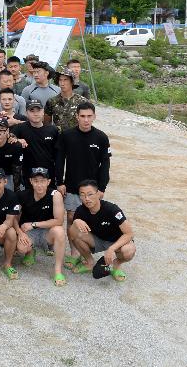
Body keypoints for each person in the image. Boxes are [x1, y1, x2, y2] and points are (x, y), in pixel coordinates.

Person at [55, 101, 111, 265]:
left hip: (93, 189)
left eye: (89, 116)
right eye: (82, 116)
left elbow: (105, 164)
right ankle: (73, 253)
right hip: (72, 185)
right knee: (72, 218)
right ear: (76, 117)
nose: (86, 120)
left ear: (94, 117)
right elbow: (59, 160)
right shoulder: (67, 135)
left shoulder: (101, 137)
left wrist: (102, 187)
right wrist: (60, 181)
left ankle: (86, 250)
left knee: (90, 220)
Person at [68, 180, 135, 281]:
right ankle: (89, 262)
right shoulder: (80, 210)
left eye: (90, 194)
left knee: (128, 251)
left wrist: (112, 249)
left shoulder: (112, 209)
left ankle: (116, 265)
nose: (87, 199)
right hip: (97, 240)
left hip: (116, 241)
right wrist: (76, 221)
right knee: (73, 231)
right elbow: (72, 233)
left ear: (98, 194)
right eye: (82, 195)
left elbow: (129, 233)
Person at [16, 167, 68, 286]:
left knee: (59, 231)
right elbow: (15, 218)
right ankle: (30, 252)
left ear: (48, 182)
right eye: (36, 181)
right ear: (31, 181)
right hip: (28, 232)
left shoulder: (55, 195)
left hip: (46, 232)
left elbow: (59, 220)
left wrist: (34, 224)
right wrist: (20, 232)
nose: (39, 185)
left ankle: (58, 270)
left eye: (42, 181)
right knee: (21, 248)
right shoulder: (23, 195)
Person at [11, 99, 59, 188]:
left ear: (43, 112)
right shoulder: (20, 128)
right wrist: (17, 140)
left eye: (38, 110)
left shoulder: (53, 130)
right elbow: (8, 137)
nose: (35, 113)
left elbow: (58, 155)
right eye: (32, 111)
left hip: (49, 175)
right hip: (28, 175)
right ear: (26, 113)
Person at [44, 68, 87, 132]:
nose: (62, 83)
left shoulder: (82, 101)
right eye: (60, 80)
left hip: (77, 138)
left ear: (72, 82)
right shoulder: (52, 101)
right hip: (58, 138)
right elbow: (46, 123)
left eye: (65, 80)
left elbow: (86, 122)